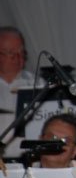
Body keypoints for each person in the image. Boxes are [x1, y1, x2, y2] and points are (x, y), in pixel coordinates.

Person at [0, 26, 43, 159]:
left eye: (22, 52)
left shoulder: (38, 84)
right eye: (11, 53)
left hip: (30, 160)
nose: (19, 57)